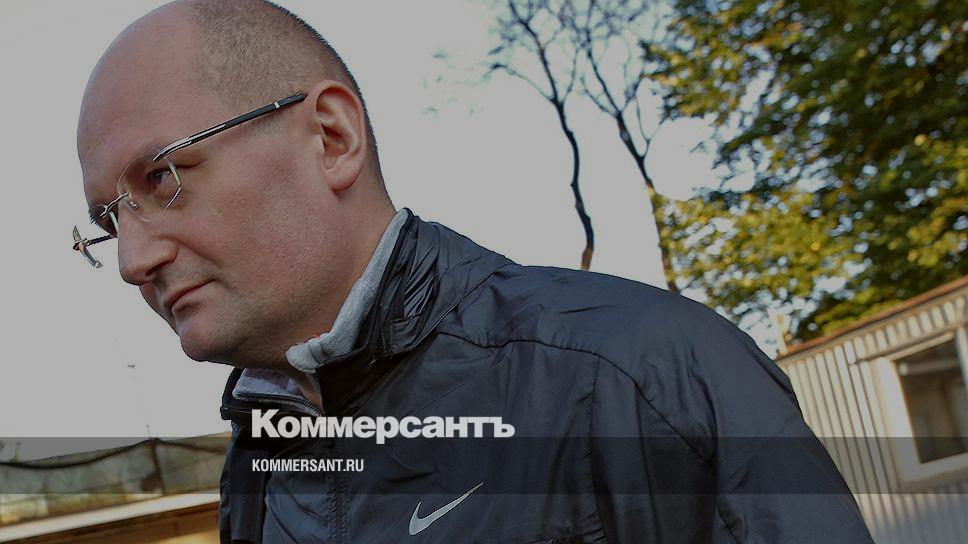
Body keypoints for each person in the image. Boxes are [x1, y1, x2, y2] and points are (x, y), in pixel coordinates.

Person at [73, 1, 876, 542]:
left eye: (162, 178)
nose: (134, 261)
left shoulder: (636, 377)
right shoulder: (259, 468)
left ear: (331, 137)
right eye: (110, 220)